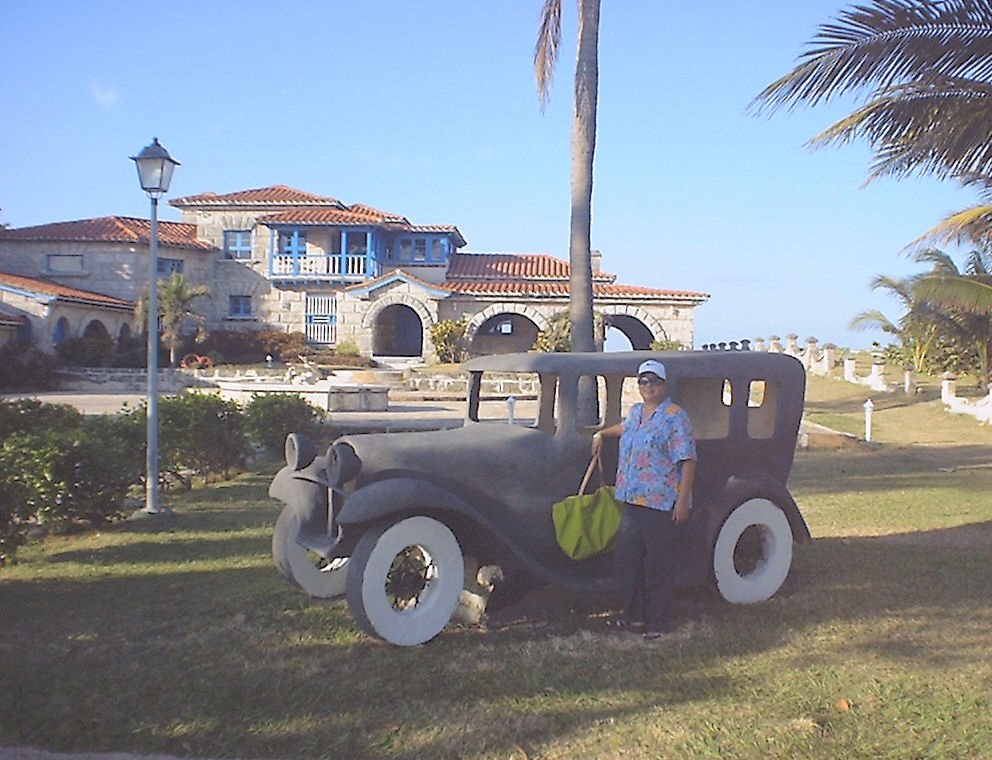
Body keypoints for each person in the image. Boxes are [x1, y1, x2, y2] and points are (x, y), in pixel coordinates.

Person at [591, 359, 696, 639]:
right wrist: (602, 433)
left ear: (664, 385)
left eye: (655, 382)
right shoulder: (636, 412)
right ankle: (634, 617)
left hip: (659, 503)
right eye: (644, 381)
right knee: (627, 561)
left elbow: (687, 460)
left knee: (656, 564)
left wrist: (683, 500)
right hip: (631, 499)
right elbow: (626, 429)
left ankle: (658, 622)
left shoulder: (675, 417)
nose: (649, 387)